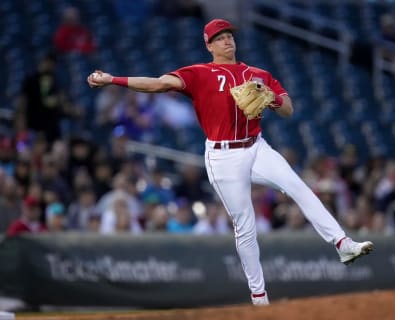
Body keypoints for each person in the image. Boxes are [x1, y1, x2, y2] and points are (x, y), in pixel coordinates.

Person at [87, 18, 373, 305]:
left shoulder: (257, 73)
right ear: (209, 45)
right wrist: (114, 79)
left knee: (298, 186)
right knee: (245, 224)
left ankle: (343, 244)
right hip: (223, 155)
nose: (227, 40)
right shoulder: (199, 74)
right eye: (219, 37)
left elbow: (288, 110)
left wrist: (271, 97)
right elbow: (158, 84)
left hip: (256, 147)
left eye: (229, 36)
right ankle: (259, 297)